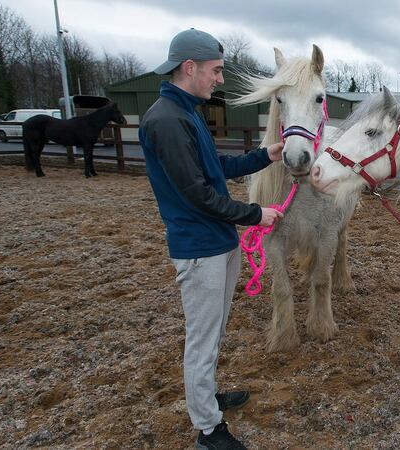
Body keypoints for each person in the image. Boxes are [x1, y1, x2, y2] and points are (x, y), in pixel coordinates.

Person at [139, 28, 284, 450]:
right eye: (216, 71)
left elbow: (212, 166)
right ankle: (207, 429)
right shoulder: (167, 120)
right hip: (200, 248)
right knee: (202, 337)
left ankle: (205, 398)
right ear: (190, 67)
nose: (220, 79)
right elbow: (197, 194)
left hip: (216, 242)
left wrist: (263, 156)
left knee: (214, 329)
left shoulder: (185, 113)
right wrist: (256, 214)